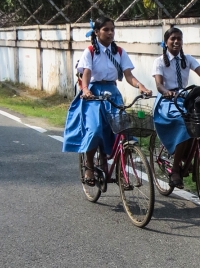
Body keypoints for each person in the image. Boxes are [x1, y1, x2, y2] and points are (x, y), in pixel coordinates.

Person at [63, 16, 152, 186]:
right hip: (93, 94)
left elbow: (128, 75)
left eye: (112, 29)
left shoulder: (119, 52)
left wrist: (141, 86)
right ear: (97, 32)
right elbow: (87, 72)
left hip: (113, 93)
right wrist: (86, 89)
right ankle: (89, 166)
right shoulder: (89, 51)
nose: (110, 33)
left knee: (124, 132)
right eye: (106, 29)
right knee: (95, 130)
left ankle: (120, 171)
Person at [152, 26, 200, 189]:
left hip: (185, 98)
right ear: (166, 42)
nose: (176, 41)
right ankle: (174, 169)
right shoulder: (159, 61)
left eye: (179, 38)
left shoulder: (188, 59)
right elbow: (158, 85)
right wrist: (167, 92)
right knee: (182, 124)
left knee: (199, 122)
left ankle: (191, 159)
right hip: (167, 100)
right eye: (172, 38)